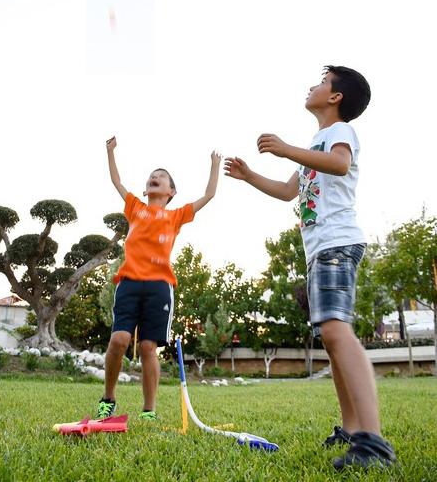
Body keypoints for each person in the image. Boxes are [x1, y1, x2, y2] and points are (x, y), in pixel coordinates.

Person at [224, 66, 396, 469]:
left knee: (338, 332)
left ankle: (373, 443)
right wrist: (250, 176)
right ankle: (352, 431)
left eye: (321, 81)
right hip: (320, 248)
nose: (312, 86)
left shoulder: (340, 134)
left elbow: (338, 165)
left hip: (337, 241)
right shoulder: (318, 141)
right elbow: (289, 192)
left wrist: (286, 149)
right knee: (332, 341)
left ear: (335, 97)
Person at [99, 136, 221, 421]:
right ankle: (108, 398)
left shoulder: (176, 216)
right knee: (119, 340)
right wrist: (110, 152)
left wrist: (214, 166)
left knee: (147, 347)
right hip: (128, 283)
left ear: (171, 191)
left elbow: (209, 195)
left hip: (159, 288)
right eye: (152, 176)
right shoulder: (135, 208)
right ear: (146, 188)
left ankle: (148, 411)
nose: (155, 177)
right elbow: (117, 182)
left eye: (162, 177)